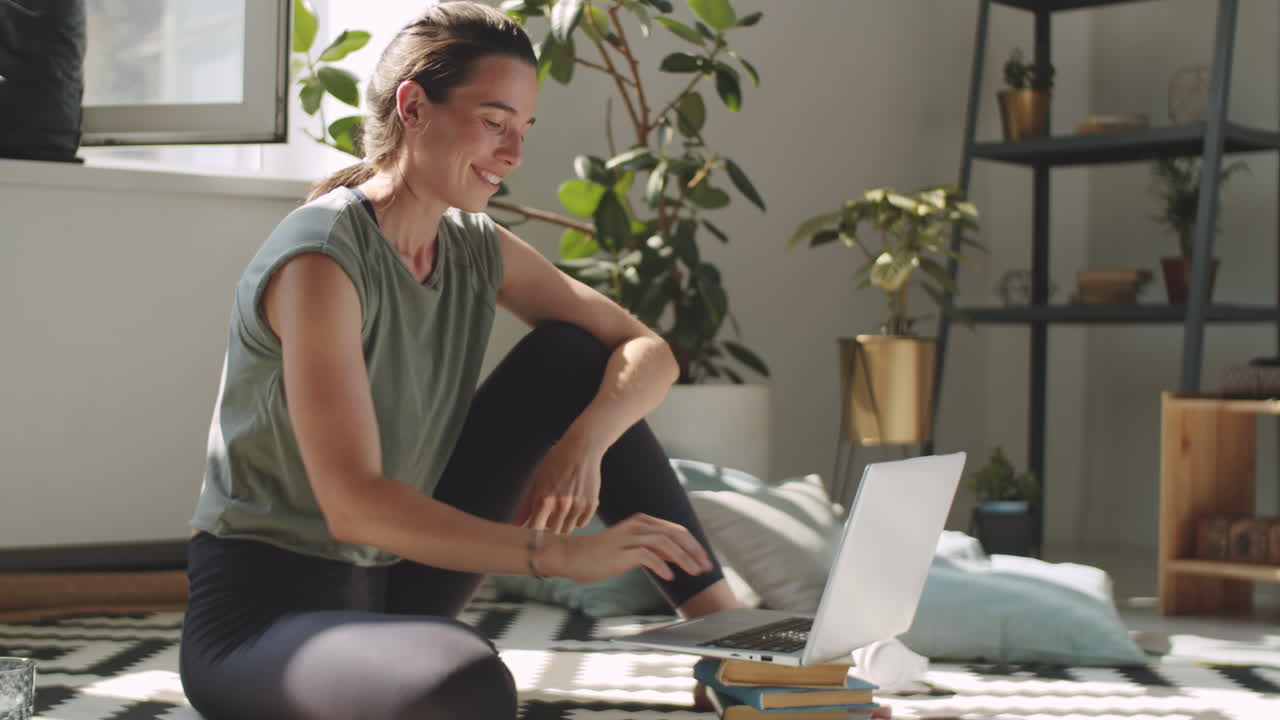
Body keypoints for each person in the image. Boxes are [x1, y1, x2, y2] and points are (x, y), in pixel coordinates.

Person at [178, 3, 742, 719]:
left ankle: (734, 645)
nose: (513, 154)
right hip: (265, 619)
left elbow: (648, 352)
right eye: (495, 121)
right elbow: (352, 506)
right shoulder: (321, 259)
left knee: (575, 356)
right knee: (464, 685)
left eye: (523, 131)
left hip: (396, 586)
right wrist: (560, 554)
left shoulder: (474, 245)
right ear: (414, 106)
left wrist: (583, 446)